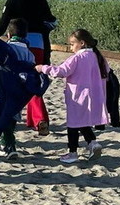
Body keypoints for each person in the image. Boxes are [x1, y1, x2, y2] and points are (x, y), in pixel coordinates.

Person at [0, 0, 56, 136]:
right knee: (35, 79)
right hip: (40, 43)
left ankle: (34, 117)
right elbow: (51, 21)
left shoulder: (12, 1)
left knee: (20, 81)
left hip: (18, 44)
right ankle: (36, 119)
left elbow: (2, 25)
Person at [37, 29, 109, 164]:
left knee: (73, 124)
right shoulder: (98, 57)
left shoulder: (77, 58)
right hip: (95, 95)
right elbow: (107, 72)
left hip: (78, 95)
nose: (71, 48)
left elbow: (62, 71)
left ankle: (73, 153)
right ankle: (92, 143)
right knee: (81, 122)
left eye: (72, 44)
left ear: (82, 43)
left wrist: (43, 68)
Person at [0, 18, 47, 159]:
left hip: (3, 85)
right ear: (26, 35)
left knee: (2, 114)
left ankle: (10, 146)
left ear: (8, 35)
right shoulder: (29, 53)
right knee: (13, 113)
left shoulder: (5, 48)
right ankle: (5, 144)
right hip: (20, 89)